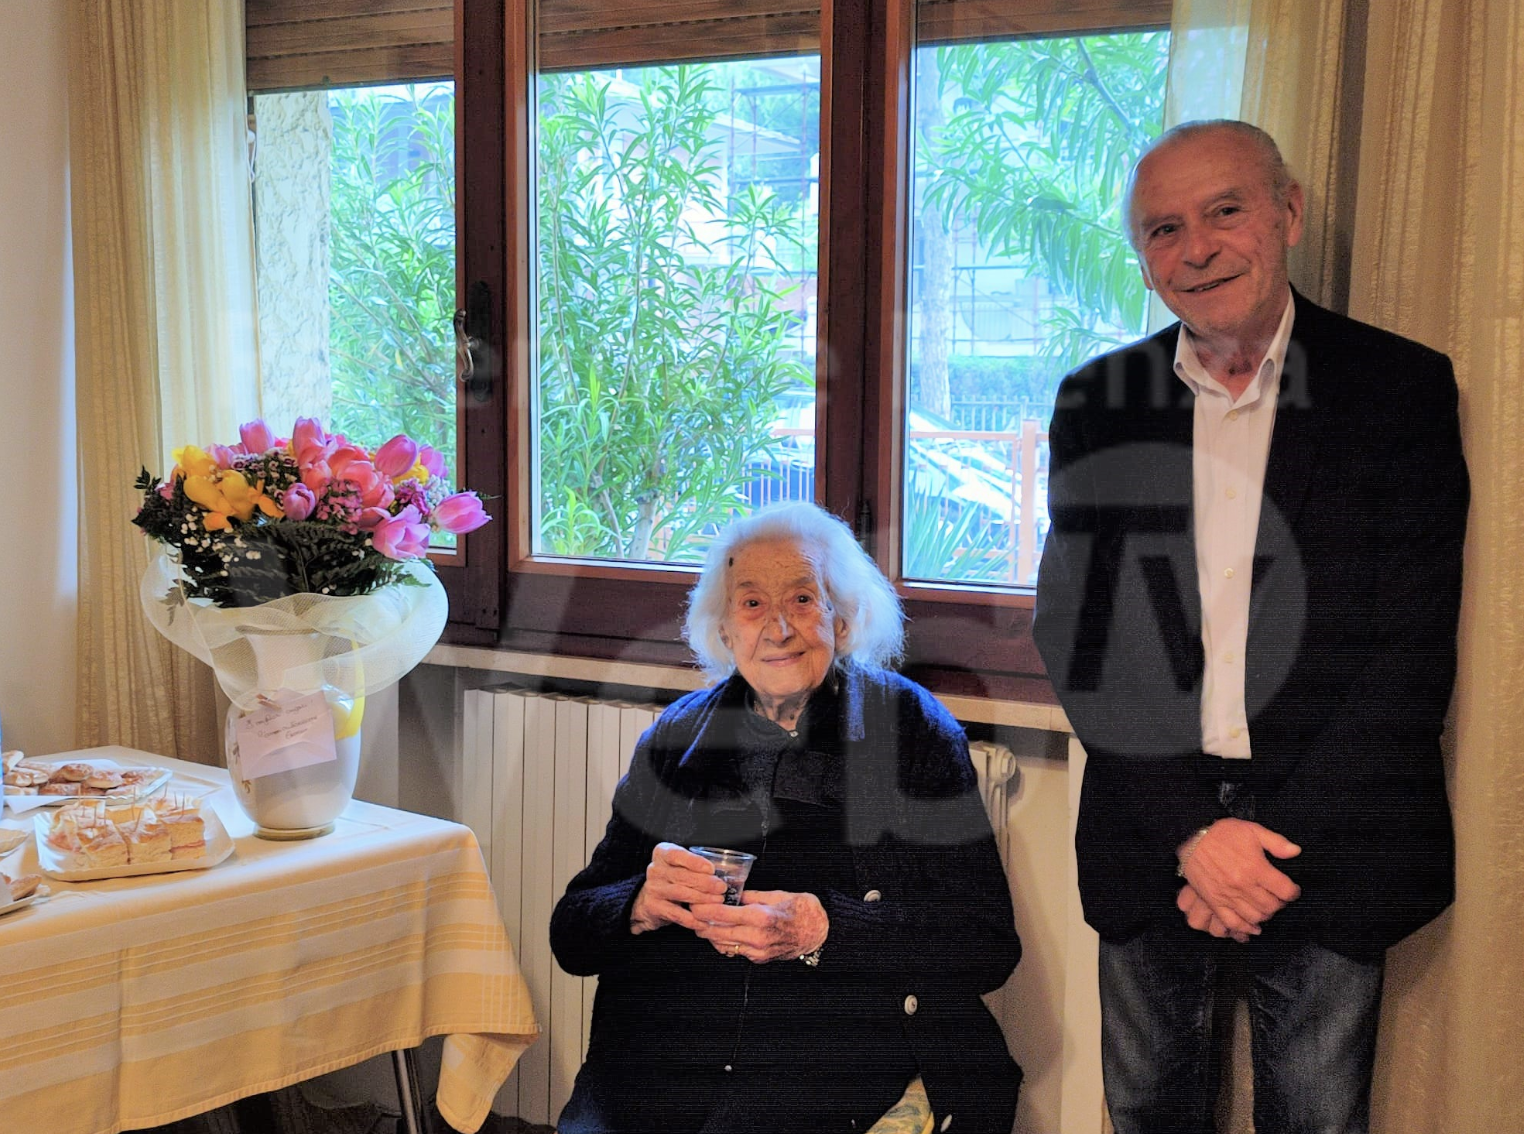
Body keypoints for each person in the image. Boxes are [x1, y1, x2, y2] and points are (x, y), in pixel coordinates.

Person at [1033, 120, 1468, 1133]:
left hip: (1334, 830)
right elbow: (1078, 633)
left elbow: (1410, 653)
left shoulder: (1398, 389)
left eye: (1224, 211)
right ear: (1145, 256)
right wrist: (1192, 831)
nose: (1197, 249)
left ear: (1289, 212)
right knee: (1145, 1111)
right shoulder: (1098, 401)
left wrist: (1258, 856)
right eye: (1163, 229)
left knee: (1317, 1118)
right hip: (1149, 827)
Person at [551, 502, 1021, 1134]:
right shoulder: (678, 736)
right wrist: (638, 901)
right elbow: (571, 935)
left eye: (802, 599)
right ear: (724, 631)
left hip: (835, 1069)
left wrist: (825, 928)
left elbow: (988, 944)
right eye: (751, 604)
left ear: (843, 620)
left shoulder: (911, 729)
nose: (777, 629)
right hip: (662, 1064)